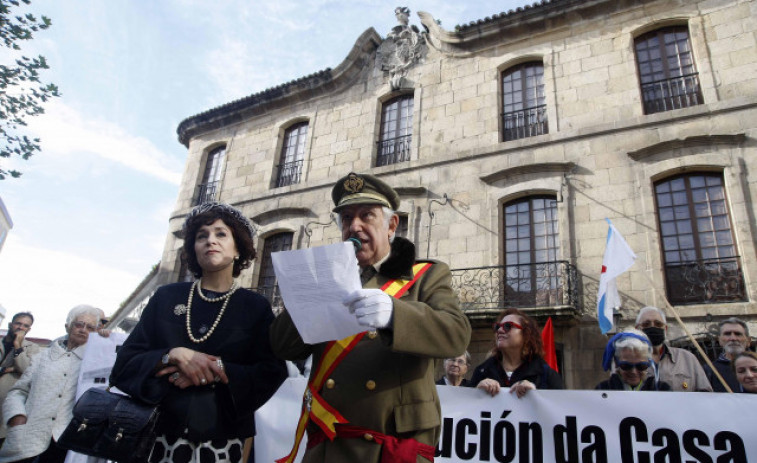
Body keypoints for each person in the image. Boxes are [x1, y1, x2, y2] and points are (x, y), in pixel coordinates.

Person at [270, 172, 471, 463]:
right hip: (328, 446)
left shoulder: (426, 276)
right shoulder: (327, 277)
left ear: (391, 225)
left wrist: (394, 315)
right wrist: (313, 287)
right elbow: (282, 346)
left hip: (389, 448)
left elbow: (457, 334)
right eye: (346, 218)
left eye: (367, 215)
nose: (355, 226)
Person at [110, 202, 287, 463]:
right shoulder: (166, 297)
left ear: (238, 249)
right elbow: (124, 366)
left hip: (223, 441)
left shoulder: (254, 307)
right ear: (193, 248)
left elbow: (272, 372)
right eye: (201, 236)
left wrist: (215, 369)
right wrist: (172, 356)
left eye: (220, 234)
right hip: (157, 437)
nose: (210, 241)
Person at [0, 305, 102, 463]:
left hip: (64, 443)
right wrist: (16, 416)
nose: (83, 330)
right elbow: (18, 391)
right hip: (28, 436)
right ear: (68, 326)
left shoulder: (95, 363)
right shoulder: (42, 357)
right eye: (79, 324)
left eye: (90, 327)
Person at [471, 308, 562, 398]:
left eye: (507, 326)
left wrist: (535, 394)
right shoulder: (482, 371)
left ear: (526, 334)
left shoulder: (545, 374)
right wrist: (476, 392)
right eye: (497, 327)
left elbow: (559, 407)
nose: (500, 330)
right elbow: (466, 408)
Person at [634, 306, 711, 391]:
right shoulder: (625, 360)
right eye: (646, 324)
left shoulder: (687, 359)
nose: (653, 327)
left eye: (658, 324)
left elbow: (705, 396)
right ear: (637, 329)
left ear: (665, 329)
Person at [0, 312, 41, 447]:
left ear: (29, 329)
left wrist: (18, 345)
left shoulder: (32, 348)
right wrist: (12, 368)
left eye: (25, 326)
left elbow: (26, 369)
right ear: (10, 324)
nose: (20, 327)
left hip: (4, 406)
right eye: (18, 323)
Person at [595, 328, 671, 391]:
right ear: (616, 362)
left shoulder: (662, 389)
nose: (634, 372)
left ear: (648, 362)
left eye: (641, 366)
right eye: (626, 366)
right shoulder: (603, 389)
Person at [703, 317, 751, 392]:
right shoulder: (709, 370)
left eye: (738, 334)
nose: (733, 338)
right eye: (727, 334)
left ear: (748, 341)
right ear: (720, 341)